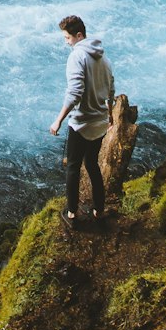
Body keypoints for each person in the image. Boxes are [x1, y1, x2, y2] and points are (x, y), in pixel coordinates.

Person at [49, 14, 115, 230]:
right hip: (100, 122)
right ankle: (98, 210)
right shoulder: (103, 58)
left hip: (81, 122)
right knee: (92, 164)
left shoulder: (77, 56)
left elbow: (75, 92)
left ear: (79, 35)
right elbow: (111, 85)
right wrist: (111, 113)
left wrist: (58, 119)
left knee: (73, 168)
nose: (66, 42)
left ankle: (72, 213)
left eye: (67, 37)